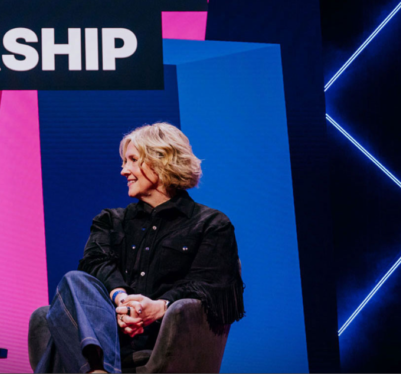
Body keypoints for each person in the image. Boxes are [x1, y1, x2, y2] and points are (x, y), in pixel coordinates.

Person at [35, 123, 244, 373]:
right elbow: (96, 265)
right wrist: (123, 300)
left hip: (164, 342)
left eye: (133, 160)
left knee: (59, 345)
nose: (124, 170)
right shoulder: (110, 221)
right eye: (125, 161)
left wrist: (159, 307)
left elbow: (209, 286)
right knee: (75, 280)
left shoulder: (211, 224)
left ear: (162, 161)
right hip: (107, 338)